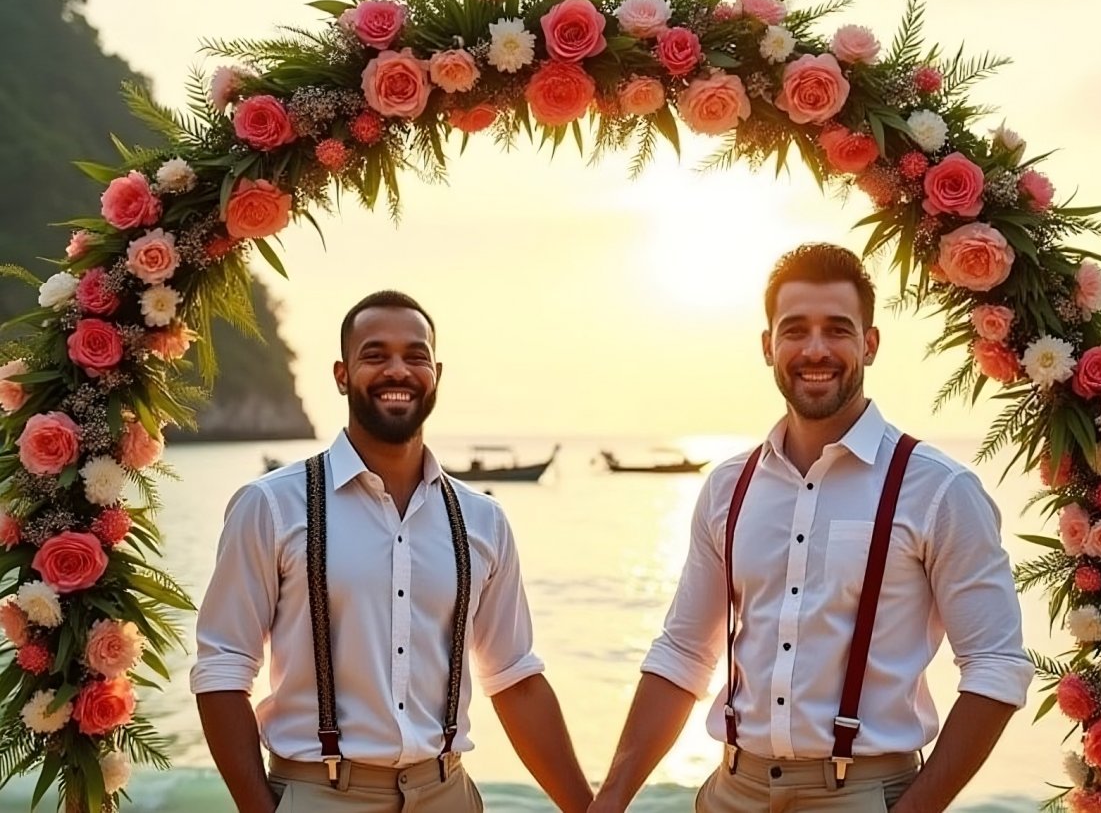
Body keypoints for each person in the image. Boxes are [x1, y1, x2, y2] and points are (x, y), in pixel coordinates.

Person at [589, 244, 1034, 812]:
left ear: (869, 345)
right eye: (795, 330)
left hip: (867, 793)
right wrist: (612, 797)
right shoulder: (730, 486)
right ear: (768, 345)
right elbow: (682, 654)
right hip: (731, 792)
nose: (815, 350)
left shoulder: (940, 490)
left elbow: (996, 667)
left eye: (838, 330)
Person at [192, 290, 592, 813]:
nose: (397, 371)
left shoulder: (483, 520)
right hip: (319, 794)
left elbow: (516, 679)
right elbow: (222, 669)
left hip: (448, 793)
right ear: (342, 374)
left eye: (415, 356)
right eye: (375, 355)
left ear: (436, 374)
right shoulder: (271, 505)